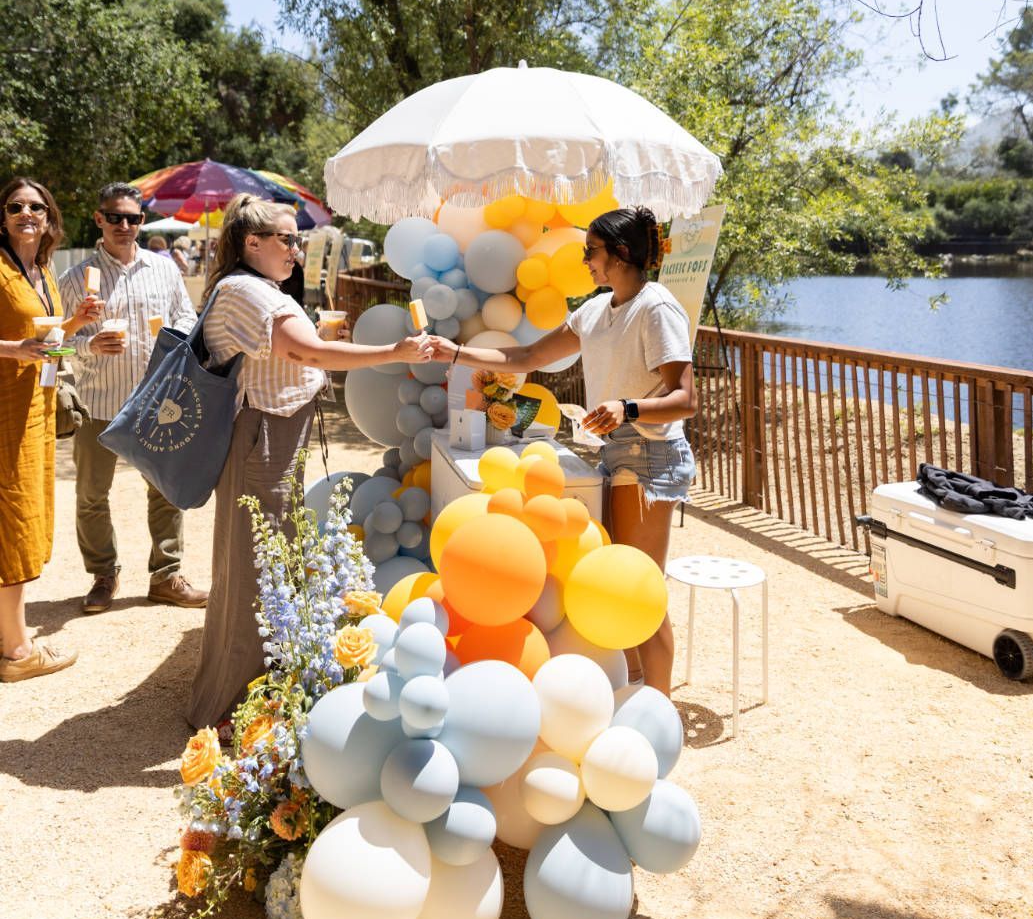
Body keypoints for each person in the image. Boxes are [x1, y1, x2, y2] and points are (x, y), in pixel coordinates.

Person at [187, 194, 433, 734]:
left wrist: (316, 340)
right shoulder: (247, 290)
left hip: (271, 435)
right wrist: (395, 352)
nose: (297, 250)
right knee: (257, 570)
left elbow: (290, 352)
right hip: (263, 438)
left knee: (266, 562)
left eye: (297, 240)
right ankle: (233, 707)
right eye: (288, 239)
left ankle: (251, 694)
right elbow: (304, 354)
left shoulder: (254, 288)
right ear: (252, 242)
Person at [430, 205, 696, 695]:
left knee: (639, 588)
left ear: (620, 252)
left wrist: (626, 408)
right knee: (618, 585)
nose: (584, 261)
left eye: (590, 251)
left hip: (650, 456)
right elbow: (528, 356)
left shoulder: (656, 308)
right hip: (618, 452)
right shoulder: (595, 310)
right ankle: (635, 690)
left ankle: (660, 710)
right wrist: (457, 353)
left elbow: (685, 398)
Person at [58, 182, 207, 615]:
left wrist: (176, 336)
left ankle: (166, 575)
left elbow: (187, 317)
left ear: (142, 220)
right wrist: (88, 345)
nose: (124, 225)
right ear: (99, 219)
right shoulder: (75, 279)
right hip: (98, 404)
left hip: (157, 403)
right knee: (91, 495)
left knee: (165, 490)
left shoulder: (164, 269)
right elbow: (55, 343)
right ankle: (103, 574)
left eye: (133, 217)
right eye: (115, 217)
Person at [0, 177, 102, 681]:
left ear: (48, 219)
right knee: (14, 521)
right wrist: (13, 350)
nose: (26, 213)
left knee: (25, 516)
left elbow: (48, 344)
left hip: (35, 411)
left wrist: (77, 322)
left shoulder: (42, 270)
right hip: (4, 414)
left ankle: (8, 634)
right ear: (2, 218)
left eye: (36, 207)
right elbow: (22, 345)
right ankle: (18, 653)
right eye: (15, 206)